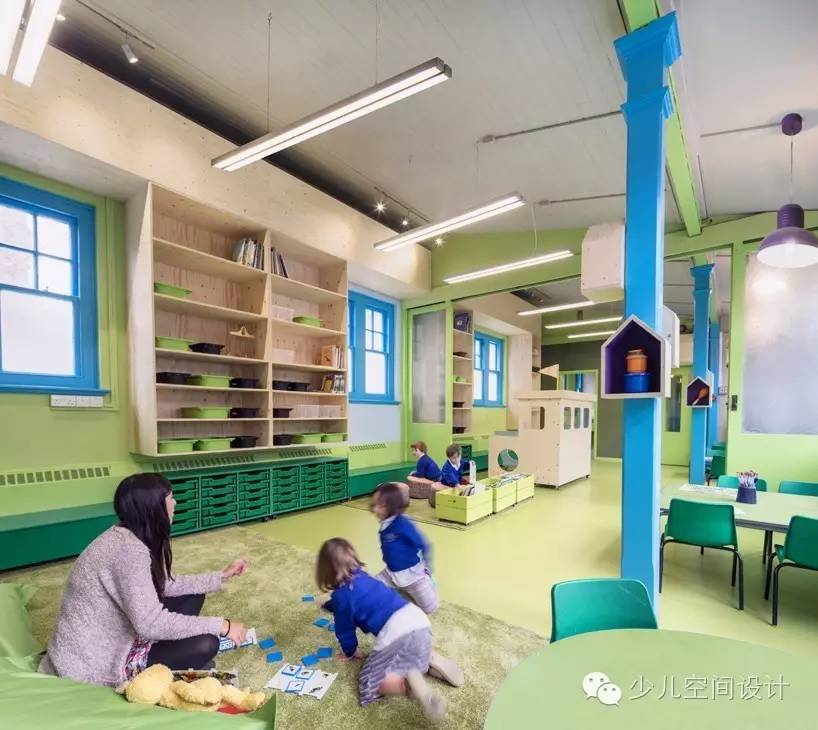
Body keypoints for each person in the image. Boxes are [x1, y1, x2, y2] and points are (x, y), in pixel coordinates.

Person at [40, 473, 249, 687]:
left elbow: (164, 585)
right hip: (94, 665)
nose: (175, 503)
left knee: (193, 595)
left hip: (113, 635)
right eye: (170, 497)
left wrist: (221, 576)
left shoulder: (128, 535)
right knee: (207, 643)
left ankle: (168, 655)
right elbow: (150, 624)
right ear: (153, 508)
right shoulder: (128, 552)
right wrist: (222, 625)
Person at [316, 538, 463, 720]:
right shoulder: (365, 577)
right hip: (417, 619)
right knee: (410, 651)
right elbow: (359, 600)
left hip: (396, 633)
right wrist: (331, 605)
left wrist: (350, 652)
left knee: (368, 683)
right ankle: (426, 661)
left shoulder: (341, 597)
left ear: (325, 571)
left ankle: (409, 686)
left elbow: (345, 630)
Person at [371, 482, 438, 613]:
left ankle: (427, 580)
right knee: (371, 589)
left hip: (413, 576)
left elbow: (424, 544)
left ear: (392, 505)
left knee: (430, 608)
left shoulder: (403, 524)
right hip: (391, 572)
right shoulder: (385, 524)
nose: (375, 510)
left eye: (380, 505)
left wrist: (428, 566)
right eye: (374, 505)